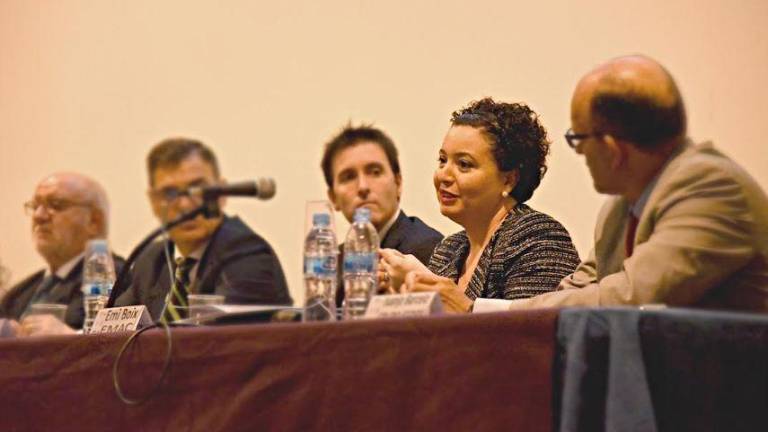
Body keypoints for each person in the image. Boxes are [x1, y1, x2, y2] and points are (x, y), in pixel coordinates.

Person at [469, 55, 768, 312]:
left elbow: (633, 297)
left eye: (578, 138)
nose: (580, 152)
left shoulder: (712, 189)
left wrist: (482, 309)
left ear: (612, 150)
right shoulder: (620, 206)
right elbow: (576, 292)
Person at [388, 98, 580, 312]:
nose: (444, 175)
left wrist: (431, 288)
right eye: (442, 160)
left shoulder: (537, 237)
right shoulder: (449, 250)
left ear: (509, 180)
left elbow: (530, 336)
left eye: (464, 164)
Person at [116, 138, 291, 320]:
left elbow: (212, 341)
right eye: (170, 193)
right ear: (153, 201)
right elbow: (115, 334)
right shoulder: (151, 260)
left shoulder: (248, 253)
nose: (185, 205)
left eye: (198, 189)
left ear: (222, 193)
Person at [321, 125, 443, 306]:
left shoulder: (428, 249)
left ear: (398, 183)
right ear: (333, 198)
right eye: (348, 177)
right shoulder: (335, 260)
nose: (363, 187)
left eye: (375, 172)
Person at [0, 172, 122, 335]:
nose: (39, 216)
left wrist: (70, 336)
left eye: (56, 205)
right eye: (35, 206)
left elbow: (113, 347)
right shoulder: (18, 294)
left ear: (94, 221)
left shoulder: (117, 280)